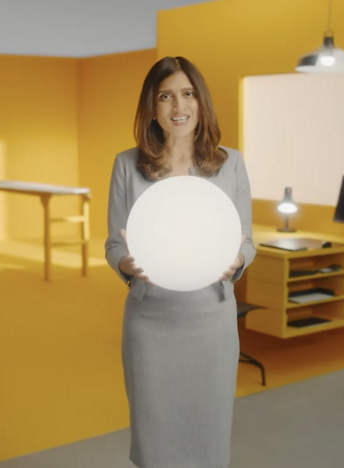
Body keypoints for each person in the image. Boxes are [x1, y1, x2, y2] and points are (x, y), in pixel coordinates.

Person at [104, 56, 255, 468]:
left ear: (201, 102)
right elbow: (113, 246)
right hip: (151, 321)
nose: (178, 107)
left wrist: (237, 259)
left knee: (208, 436)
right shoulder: (126, 166)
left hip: (211, 321)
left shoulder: (231, 164)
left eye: (187, 94)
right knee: (155, 441)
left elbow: (248, 242)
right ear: (151, 107)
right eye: (165, 96)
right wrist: (127, 266)